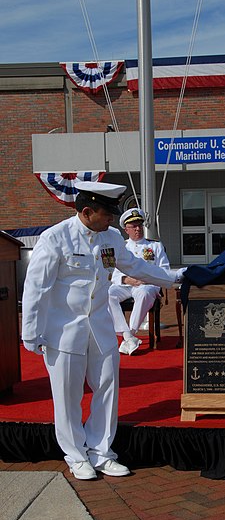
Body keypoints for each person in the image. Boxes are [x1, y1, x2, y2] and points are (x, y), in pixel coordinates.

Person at [21, 181, 182, 480]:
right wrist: (30, 332)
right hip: (64, 330)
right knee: (68, 396)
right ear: (86, 211)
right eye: (107, 213)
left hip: (100, 327)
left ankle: (101, 451)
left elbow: (135, 267)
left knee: (107, 386)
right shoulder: (56, 238)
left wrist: (175, 279)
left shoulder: (110, 237)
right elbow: (36, 288)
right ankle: (76, 454)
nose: (112, 219)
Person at [108, 208, 170, 355]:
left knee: (144, 292)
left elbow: (164, 269)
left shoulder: (155, 246)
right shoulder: (120, 247)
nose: (138, 229)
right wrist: (126, 279)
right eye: (133, 226)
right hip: (126, 284)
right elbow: (111, 272)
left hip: (147, 285)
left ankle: (131, 333)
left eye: (139, 225)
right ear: (126, 229)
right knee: (108, 293)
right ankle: (127, 335)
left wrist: (148, 279)